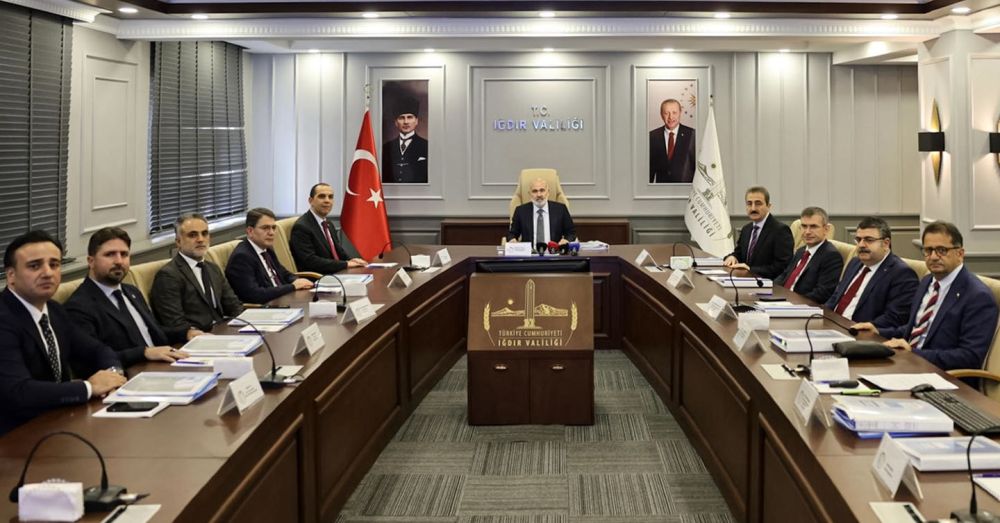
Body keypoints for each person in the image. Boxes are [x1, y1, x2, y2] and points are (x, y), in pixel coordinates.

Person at [0, 230, 126, 435]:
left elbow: (98, 350)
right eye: (34, 266)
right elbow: (18, 392)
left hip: (59, 422)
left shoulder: (54, 310)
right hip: (15, 435)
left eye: (54, 264)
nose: (47, 273)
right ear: (11, 275)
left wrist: (113, 376)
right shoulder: (4, 319)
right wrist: (88, 387)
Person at [855, 221, 998, 371]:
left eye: (942, 250)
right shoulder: (927, 281)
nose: (934, 257)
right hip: (907, 364)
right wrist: (877, 331)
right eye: (928, 250)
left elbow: (970, 357)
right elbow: (916, 329)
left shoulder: (978, 296)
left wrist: (914, 353)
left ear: (960, 254)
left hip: (942, 375)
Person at [65, 227, 200, 368]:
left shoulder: (131, 291)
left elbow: (151, 332)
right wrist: (144, 353)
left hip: (163, 365)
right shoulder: (79, 306)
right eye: (110, 254)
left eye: (124, 254)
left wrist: (185, 333)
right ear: (91, 261)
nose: (119, 261)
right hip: (131, 373)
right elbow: (92, 360)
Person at [151, 213, 244, 332]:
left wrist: (248, 326)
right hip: (197, 337)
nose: (200, 239)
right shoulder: (168, 276)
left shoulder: (213, 268)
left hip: (224, 330)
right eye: (192, 235)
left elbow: (234, 306)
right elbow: (175, 323)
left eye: (204, 233)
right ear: (178, 242)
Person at [825, 217, 918, 329]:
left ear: (886, 243)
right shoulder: (855, 263)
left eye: (868, 240)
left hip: (860, 333)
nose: (861, 245)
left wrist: (863, 328)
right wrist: (821, 315)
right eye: (858, 239)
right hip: (832, 325)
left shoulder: (902, 274)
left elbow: (894, 318)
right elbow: (836, 297)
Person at [226, 208, 313, 304]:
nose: (271, 233)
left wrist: (297, 281)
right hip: (266, 308)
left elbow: (283, 273)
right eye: (265, 228)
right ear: (250, 231)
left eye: (273, 228)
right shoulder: (242, 257)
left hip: (283, 300)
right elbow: (255, 295)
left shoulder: (266, 249)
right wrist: (292, 287)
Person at [290, 183, 368, 274]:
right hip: (320, 277)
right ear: (311, 201)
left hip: (337, 273)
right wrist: (346, 264)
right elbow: (310, 261)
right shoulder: (301, 227)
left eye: (330, 197)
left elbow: (338, 251)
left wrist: (352, 260)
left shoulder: (328, 224)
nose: (327, 201)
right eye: (322, 196)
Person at [773, 207, 843, 304]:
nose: (807, 232)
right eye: (804, 226)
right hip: (781, 301)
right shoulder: (801, 251)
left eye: (813, 227)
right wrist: (769, 290)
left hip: (801, 306)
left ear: (826, 229)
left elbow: (822, 293)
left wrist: (790, 302)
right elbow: (784, 276)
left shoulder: (831, 256)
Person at [723, 186, 793, 280]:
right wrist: (732, 257)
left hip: (768, 284)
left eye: (758, 203)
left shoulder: (780, 230)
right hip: (743, 281)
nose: (753, 208)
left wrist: (751, 270)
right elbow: (739, 253)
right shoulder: (746, 229)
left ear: (768, 206)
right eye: (749, 203)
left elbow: (783, 267)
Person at [507, 178, 576, 246]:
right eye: (534, 191)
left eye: (542, 190)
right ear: (530, 194)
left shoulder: (560, 209)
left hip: (554, 251)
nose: (539, 195)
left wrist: (566, 240)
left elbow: (571, 233)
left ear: (548, 192)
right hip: (530, 252)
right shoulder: (521, 211)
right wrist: (512, 240)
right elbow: (512, 233)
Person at [382, 96, 428, 183]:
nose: (406, 122)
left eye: (410, 117)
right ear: (396, 122)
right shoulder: (386, 148)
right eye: (401, 118)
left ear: (416, 121)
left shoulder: (426, 146)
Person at [648, 98, 695, 183]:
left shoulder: (692, 135)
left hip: (686, 189)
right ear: (661, 114)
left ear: (680, 113)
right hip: (661, 189)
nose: (670, 117)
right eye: (666, 113)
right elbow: (648, 171)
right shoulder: (652, 136)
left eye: (674, 113)